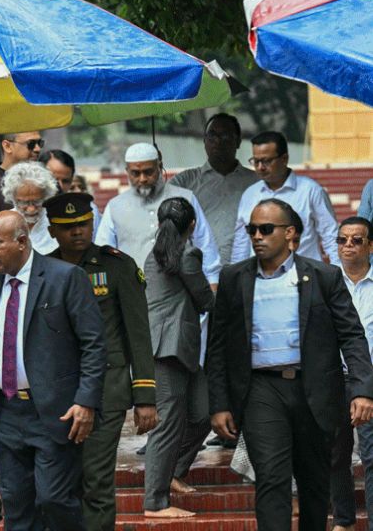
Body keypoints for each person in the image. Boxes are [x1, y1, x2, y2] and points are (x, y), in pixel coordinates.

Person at [205, 198, 373, 531]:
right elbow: (218, 347)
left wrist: (362, 390)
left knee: (313, 482)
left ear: (290, 233)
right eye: (252, 229)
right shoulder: (234, 278)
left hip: (314, 389)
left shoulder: (323, 277)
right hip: (260, 390)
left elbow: (352, 336)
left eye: (266, 229)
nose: (257, 236)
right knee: (271, 475)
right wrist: (219, 404)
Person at [0, 210, 106, 531]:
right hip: (7, 413)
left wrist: (86, 402)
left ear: (21, 241)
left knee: (54, 499)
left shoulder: (65, 277)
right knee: (16, 505)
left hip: (55, 412)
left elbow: (94, 345)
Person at [44, 192, 157, 530]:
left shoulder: (117, 266)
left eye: (83, 224)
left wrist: (145, 397)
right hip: (59, 393)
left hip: (108, 389)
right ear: (52, 232)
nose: (77, 232)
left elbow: (138, 332)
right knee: (61, 483)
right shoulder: (44, 269)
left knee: (96, 480)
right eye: (67, 227)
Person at [140, 198, 215, 519]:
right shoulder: (187, 254)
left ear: (159, 224)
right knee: (167, 425)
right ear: (193, 226)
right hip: (167, 348)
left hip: (178, 349)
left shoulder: (153, 255)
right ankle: (155, 502)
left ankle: (173, 471)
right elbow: (204, 298)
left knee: (203, 412)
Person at [96, 142, 221, 285]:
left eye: (148, 172)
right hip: (134, 293)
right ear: (127, 171)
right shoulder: (115, 207)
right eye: (136, 173)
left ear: (160, 167)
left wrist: (212, 287)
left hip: (181, 293)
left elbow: (205, 247)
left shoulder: (186, 198)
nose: (142, 179)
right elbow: (103, 255)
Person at [231, 131, 340, 265]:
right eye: (256, 161)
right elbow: (241, 244)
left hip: (305, 277)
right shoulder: (249, 194)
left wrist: (338, 275)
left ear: (284, 159)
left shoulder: (310, 191)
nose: (260, 167)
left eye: (266, 161)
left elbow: (330, 236)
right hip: (261, 280)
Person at [329, 217, 373, 531]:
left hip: (371, 382)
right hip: (335, 379)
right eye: (343, 240)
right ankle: (344, 522)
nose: (348, 246)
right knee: (336, 457)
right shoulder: (325, 282)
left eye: (357, 240)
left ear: (371, 246)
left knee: (372, 457)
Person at [168, 113, 256, 265]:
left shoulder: (256, 183)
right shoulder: (184, 182)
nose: (218, 142)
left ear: (238, 142)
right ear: (204, 141)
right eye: (212, 136)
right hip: (199, 273)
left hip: (246, 270)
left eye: (225, 136)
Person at [0, 161, 60, 254]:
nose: (31, 209)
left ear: (46, 197)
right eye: (24, 203)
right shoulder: (2, 223)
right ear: (13, 198)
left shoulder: (57, 222)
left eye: (37, 202)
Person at [0, 131, 43, 217]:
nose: (37, 149)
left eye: (40, 143)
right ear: (7, 146)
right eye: (31, 144)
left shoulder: (42, 183)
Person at [42, 149, 102, 231]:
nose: (60, 186)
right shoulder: (28, 208)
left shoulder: (88, 210)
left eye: (66, 181)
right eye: (53, 180)